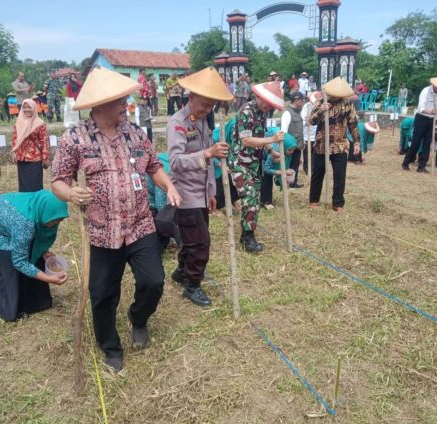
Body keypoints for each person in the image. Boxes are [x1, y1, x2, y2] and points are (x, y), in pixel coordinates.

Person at [51, 67, 181, 373]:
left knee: (154, 282)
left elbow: (153, 167)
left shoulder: (135, 133)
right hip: (101, 232)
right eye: (120, 101)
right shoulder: (74, 139)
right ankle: (110, 347)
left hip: (140, 226)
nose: (126, 106)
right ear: (100, 106)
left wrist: (170, 185)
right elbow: (57, 181)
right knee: (102, 294)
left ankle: (138, 318)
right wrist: (71, 194)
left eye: (125, 100)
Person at [167, 67, 232, 306]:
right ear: (190, 97)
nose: (207, 110)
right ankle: (192, 285)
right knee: (201, 243)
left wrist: (211, 192)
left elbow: (208, 161)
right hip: (184, 195)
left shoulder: (201, 121)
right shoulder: (178, 123)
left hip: (201, 194)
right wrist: (207, 152)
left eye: (211, 106)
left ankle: (181, 272)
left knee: (192, 240)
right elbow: (175, 162)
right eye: (203, 104)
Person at [0, 190, 68, 321]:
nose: (55, 224)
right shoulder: (24, 224)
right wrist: (47, 278)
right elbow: (19, 262)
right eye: (53, 221)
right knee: (8, 265)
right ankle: (5, 309)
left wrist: (43, 251)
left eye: (60, 220)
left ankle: (35, 302)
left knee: (31, 252)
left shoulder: (42, 209)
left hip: (8, 220)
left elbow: (39, 237)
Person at [228, 80, 284, 252]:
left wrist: (271, 150)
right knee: (250, 197)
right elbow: (246, 140)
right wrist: (272, 140)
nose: (269, 107)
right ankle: (248, 238)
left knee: (254, 199)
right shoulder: (246, 111)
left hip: (254, 163)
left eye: (272, 105)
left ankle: (247, 233)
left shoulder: (262, 113)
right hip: (240, 163)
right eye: (268, 103)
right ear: (260, 97)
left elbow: (260, 135)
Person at [309, 77, 359, 212]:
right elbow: (311, 121)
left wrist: (357, 142)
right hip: (321, 145)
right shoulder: (320, 102)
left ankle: (337, 203)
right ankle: (314, 200)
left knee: (340, 175)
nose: (335, 97)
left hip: (340, 145)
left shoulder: (348, 105)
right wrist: (321, 110)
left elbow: (353, 124)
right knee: (318, 173)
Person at [402, 76, 437, 173]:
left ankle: (422, 165)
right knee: (416, 142)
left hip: (432, 120)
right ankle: (406, 162)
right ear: (434, 85)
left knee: (427, 143)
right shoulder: (425, 91)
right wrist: (430, 111)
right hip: (421, 118)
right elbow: (421, 108)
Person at [12, 99, 49, 192]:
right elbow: (15, 138)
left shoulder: (40, 123)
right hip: (21, 158)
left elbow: (44, 141)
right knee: (23, 184)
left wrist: (45, 158)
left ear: (34, 108)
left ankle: (36, 204)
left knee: (34, 184)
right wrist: (14, 152)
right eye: (24, 107)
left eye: (29, 107)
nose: (27, 110)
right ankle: (26, 203)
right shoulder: (19, 122)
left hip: (35, 158)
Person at [280, 92, 305, 188]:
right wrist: (287, 146)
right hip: (290, 146)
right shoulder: (287, 113)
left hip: (298, 144)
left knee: (295, 164)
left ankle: (293, 182)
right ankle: (286, 183)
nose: (302, 102)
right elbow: (284, 131)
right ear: (296, 100)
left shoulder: (299, 112)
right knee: (289, 165)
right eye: (300, 100)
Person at [301, 91, 320, 175]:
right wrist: (307, 121)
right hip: (307, 134)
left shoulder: (320, 107)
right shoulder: (307, 106)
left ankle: (314, 169)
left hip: (316, 134)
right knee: (307, 153)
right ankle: (307, 169)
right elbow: (303, 118)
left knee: (315, 154)